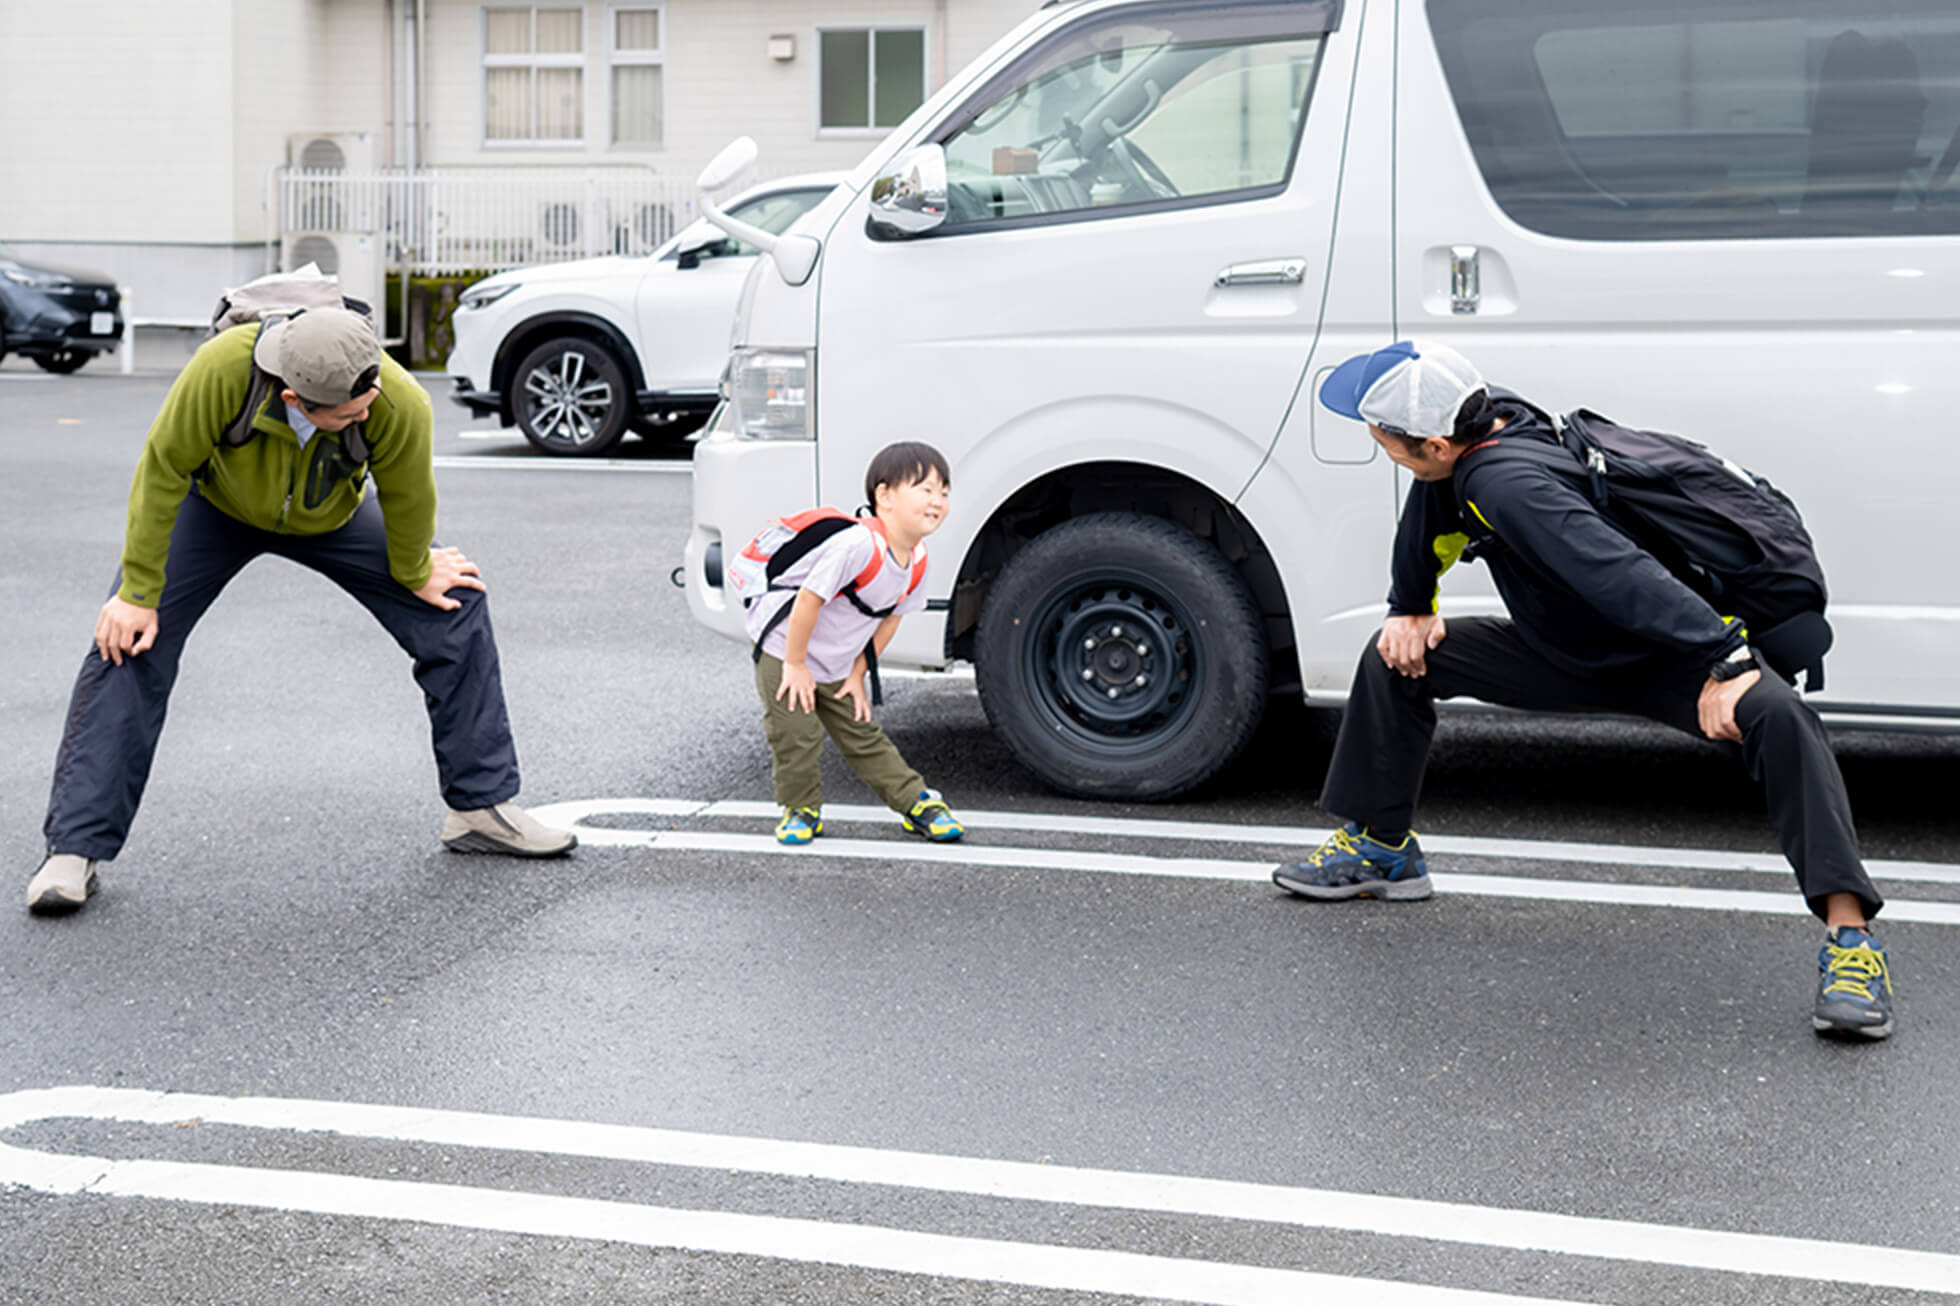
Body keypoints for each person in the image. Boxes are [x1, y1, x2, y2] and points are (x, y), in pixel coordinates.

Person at [1272, 340, 1893, 1040]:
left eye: (1386, 442)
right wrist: (1407, 603)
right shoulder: (1487, 419)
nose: (1384, 451)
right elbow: (1429, 503)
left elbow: (1617, 572)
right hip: (1560, 653)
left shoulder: (1508, 486)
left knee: (1780, 718)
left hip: (1666, 660)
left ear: (1440, 442)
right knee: (1396, 659)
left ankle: (1852, 945)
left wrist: (1726, 656)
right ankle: (1383, 850)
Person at [26, 306, 575, 916]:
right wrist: (136, 592)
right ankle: (72, 850)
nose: (364, 415)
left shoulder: (397, 401)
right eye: (347, 415)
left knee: (457, 603)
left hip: (329, 513)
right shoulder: (222, 371)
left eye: (368, 405)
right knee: (128, 638)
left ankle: (478, 809)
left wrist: (418, 570)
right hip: (217, 505)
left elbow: (408, 495)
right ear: (295, 398)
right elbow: (163, 467)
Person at [750, 441, 965, 846]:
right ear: (885, 497)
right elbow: (808, 601)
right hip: (785, 649)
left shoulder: (918, 559)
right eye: (925, 488)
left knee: (862, 733)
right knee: (796, 733)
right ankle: (801, 809)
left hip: (836, 661)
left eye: (944, 491)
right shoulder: (856, 546)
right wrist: (795, 664)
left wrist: (858, 671)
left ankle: (916, 803)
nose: (937, 500)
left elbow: (889, 619)